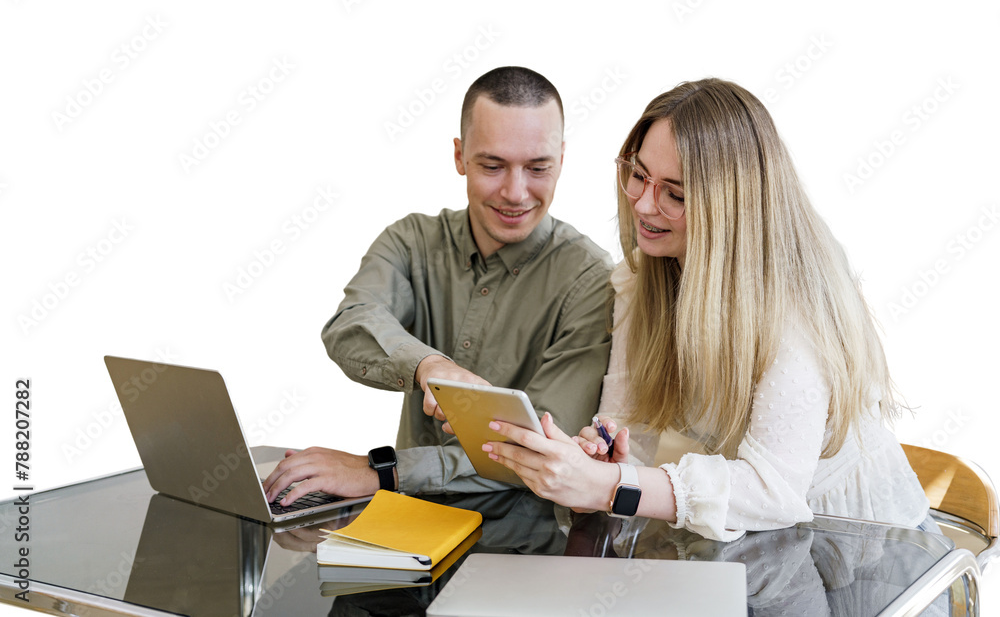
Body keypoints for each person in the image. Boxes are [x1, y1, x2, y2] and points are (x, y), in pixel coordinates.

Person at [485, 78, 930, 541]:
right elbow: (632, 434)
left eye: (675, 194)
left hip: (864, 545)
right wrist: (607, 460)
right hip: (759, 547)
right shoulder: (640, 281)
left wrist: (610, 485)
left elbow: (771, 491)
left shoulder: (793, 305)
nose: (643, 204)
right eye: (638, 175)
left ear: (732, 205)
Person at [263, 66, 613, 505]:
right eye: (492, 166)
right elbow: (351, 323)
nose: (515, 192)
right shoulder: (411, 241)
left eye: (538, 167)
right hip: (405, 520)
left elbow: (540, 453)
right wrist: (428, 366)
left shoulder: (591, 279)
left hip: (523, 539)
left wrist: (382, 472)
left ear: (561, 158)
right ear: (459, 156)